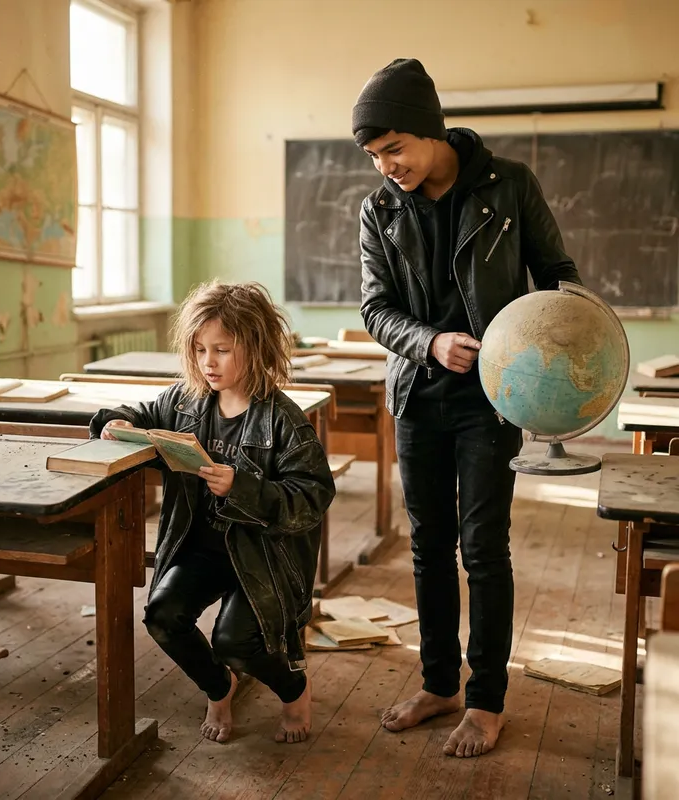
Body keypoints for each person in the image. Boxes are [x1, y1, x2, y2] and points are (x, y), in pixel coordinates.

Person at [352, 58, 581, 758]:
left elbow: (560, 275)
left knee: (483, 550)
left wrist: (552, 347)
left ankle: (484, 702)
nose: (387, 166)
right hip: (418, 396)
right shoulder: (380, 209)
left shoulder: (509, 185)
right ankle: (439, 682)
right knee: (427, 550)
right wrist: (429, 341)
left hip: (495, 399)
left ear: (430, 130)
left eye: (395, 148)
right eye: (373, 155)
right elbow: (374, 308)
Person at [89, 281, 336, 745]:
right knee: (162, 615)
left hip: (260, 558)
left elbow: (313, 497)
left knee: (233, 642)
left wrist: (243, 488)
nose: (208, 362)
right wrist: (114, 422)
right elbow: (139, 412)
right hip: (201, 547)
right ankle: (219, 688)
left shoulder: (283, 419)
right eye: (200, 349)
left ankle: (294, 688)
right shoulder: (184, 401)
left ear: (257, 346)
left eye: (222, 349)